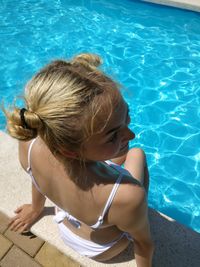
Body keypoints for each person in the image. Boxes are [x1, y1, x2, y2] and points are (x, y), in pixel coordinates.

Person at [4, 53, 154, 266]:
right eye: (113, 135)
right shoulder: (128, 195)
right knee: (136, 153)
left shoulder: (30, 141)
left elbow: (37, 177)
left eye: (126, 115)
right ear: (71, 152)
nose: (130, 135)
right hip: (101, 248)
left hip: (65, 223)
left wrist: (36, 208)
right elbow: (144, 244)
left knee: (125, 152)